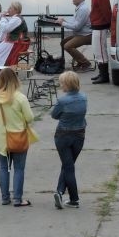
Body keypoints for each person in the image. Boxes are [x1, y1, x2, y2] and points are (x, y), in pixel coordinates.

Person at [0, 67, 39, 207]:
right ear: (15, 80)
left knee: (4, 168)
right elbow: (30, 117)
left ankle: (5, 198)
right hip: (18, 137)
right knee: (19, 169)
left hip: (1, 138)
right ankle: (17, 198)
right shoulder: (20, 98)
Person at [51, 71, 87, 209]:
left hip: (63, 135)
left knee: (68, 167)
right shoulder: (84, 97)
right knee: (68, 165)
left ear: (66, 84)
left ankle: (73, 199)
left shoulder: (62, 100)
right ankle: (60, 192)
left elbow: (54, 115)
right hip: (79, 135)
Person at [85, 0, 112, 84]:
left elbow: (106, 11)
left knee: (101, 50)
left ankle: (104, 76)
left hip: (101, 25)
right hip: (97, 25)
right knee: (98, 50)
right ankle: (102, 74)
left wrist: (109, 24)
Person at [57, 0, 92, 72]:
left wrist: (63, 23)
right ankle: (80, 61)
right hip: (81, 34)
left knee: (67, 46)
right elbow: (74, 22)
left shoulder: (83, 9)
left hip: (86, 35)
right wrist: (64, 21)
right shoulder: (79, 8)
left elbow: (77, 27)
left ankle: (85, 63)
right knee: (63, 43)